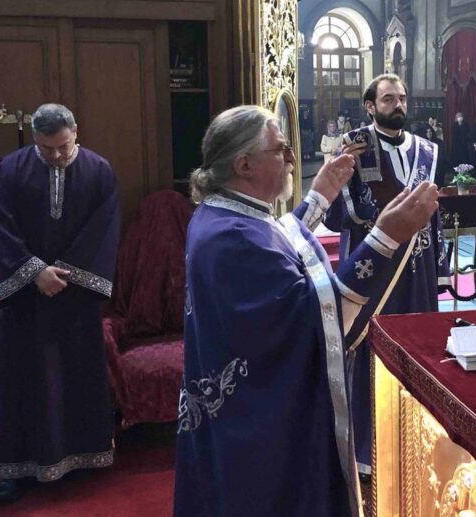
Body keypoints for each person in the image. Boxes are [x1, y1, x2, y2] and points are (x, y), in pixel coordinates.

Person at [173, 105, 439, 516]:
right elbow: (315, 320)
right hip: (260, 427)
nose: (292, 158)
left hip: (240, 410)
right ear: (244, 164)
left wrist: (319, 198)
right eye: (280, 149)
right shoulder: (231, 238)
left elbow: (278, 240)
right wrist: (386, 238)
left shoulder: (225, 214)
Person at [0, 103, 120, 503]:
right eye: (46, 149)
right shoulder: (11, 169)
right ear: (35, 139)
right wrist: (34, 272)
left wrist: (66, 274)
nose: (56, 156)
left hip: (75, 299)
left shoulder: (99, 171)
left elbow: (104, 228)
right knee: (22, 378)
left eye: (62, 146)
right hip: (24, 298)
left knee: (74, 373)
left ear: (75, 131)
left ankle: (81, 459)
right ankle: (17, 467)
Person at [325, 73, 449, 476]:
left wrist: (442, 268)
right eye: (388, 98)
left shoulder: (427, 151)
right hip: (375, 267)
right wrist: (346, 170)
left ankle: (420, 434)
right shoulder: (358, 148)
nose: (398, 104)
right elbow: (338, 216)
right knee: (370, 345)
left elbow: (434, 215)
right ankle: (368, 447)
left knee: (420, 345)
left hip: (420, 268)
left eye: (402, 98)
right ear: (370, 106)